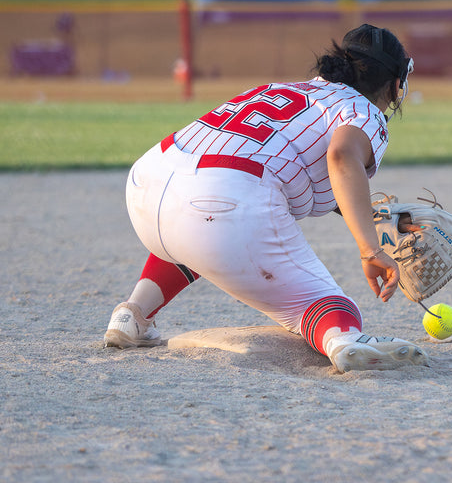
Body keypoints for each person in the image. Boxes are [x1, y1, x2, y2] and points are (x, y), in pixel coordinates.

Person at [103, 24, 432, 373]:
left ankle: (133, 314)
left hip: (148, 181)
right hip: (222, 202)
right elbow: (341, 157)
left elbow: (322, 176)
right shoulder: (366, 112)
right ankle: (344, 339)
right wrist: (371, 249)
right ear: (397, 83)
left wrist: (384, 216)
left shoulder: (286, 89)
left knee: (190, 223)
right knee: (333, 305)